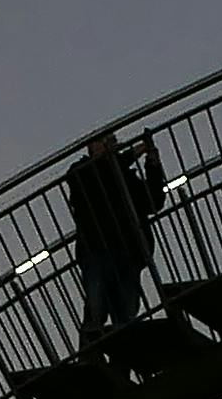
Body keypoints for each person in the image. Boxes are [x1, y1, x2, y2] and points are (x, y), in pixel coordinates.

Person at [61, 127, 155, 345]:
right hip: (97, 252)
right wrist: (133, 154)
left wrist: (152, 163)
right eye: (106, 141)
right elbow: (94, 174)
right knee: (96, 313)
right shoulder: (81, 171)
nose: (112, 145)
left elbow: (153, 201)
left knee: (125, 317)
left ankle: (121, 366)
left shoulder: (124, 175)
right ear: (92, 146)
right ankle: (88, 360)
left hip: (128, 254)